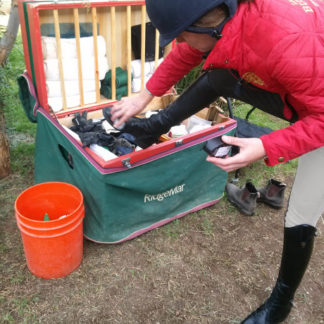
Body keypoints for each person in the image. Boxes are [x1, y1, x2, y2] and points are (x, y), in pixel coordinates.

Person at [109, 0, 324, 323]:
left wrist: (266, 144)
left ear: (209, 25)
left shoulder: (282, 43)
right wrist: (145, 95)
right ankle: (153, 128)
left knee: (302, 212)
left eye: (181, 36)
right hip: (307, 78)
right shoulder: (226, 22)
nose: (179, 44)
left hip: (317, 99)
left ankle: (280, 304)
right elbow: (189, 50)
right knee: (221, 75)